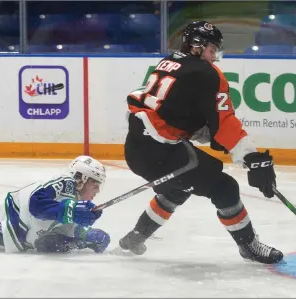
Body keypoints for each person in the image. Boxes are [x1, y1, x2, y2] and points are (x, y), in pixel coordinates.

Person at [118, 20, 283, 264]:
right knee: (224, 187)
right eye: (212, 49)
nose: (215, 57)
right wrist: (250, 157)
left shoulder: (168, 62)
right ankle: (249, 246)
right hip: (162, 153)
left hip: (137, 149)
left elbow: (178, 114)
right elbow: (223, 121)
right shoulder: (207, 73)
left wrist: (218, 139)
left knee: (179, 186)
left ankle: (136, 236)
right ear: (197, 46)